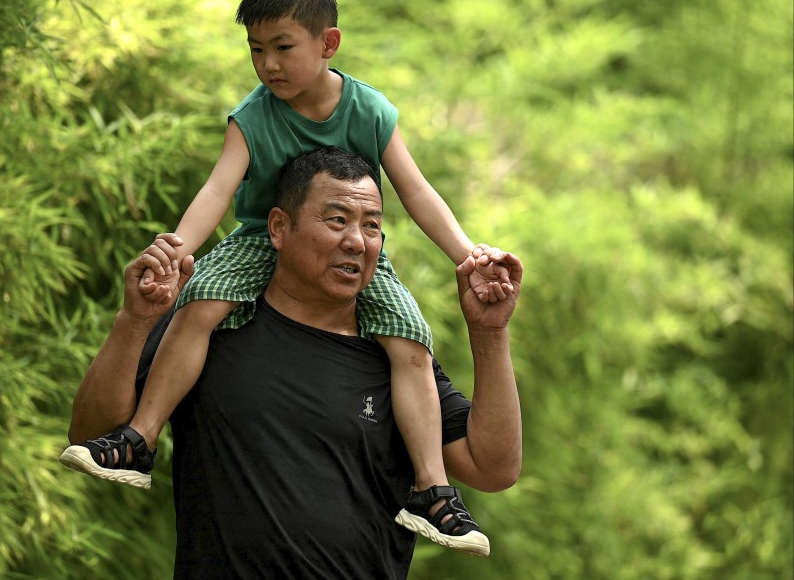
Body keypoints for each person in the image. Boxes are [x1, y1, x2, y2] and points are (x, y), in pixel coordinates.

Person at [60, 0, 514, 550]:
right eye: (255, 50)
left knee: (411, 342)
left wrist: (468, 255)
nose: (268, 64)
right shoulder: (253, 116)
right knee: (198, 306)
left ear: (328, 44)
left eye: (282, 47)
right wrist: (178, 249)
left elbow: (416, 191)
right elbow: (219, 189)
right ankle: (140, 439)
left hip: (359, 270)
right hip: (253, 243)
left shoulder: (370, 110)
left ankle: (432, 492)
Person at [64, 148, 523, 577]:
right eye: (337, 219)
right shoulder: (207, 329)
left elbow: (493, 467)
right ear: (279, 227)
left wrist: (489, 332)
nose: (356, 242)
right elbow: (91, 432)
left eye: (371, 226)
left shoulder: (399, 360)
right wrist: (135, 321)